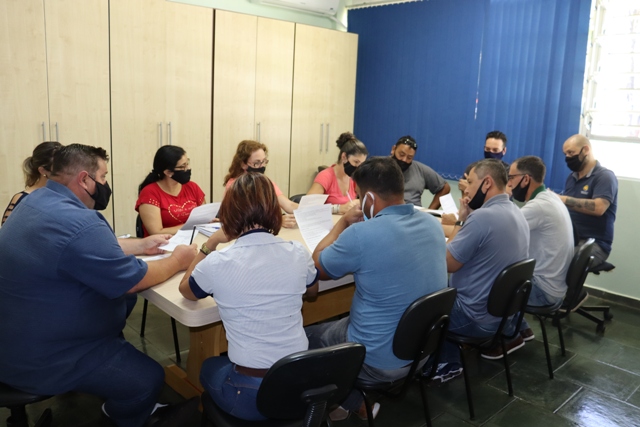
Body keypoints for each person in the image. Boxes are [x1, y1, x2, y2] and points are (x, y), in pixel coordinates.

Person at [0, 144, 199, 427]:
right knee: (148, 378)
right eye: (103, 177)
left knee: (123, 302)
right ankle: (117, 415)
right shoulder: (81, 222)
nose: (105, 184)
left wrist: (140, 245)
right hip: (42, 357)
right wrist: (178, 260)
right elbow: (135, 280)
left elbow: (76, 246)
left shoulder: (34, 201)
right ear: (84, 179)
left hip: (14, 333)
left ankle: (110, 366)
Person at [305, 157, 447, 419]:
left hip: (378, 361)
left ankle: (339, 401)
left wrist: (342, 223)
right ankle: (353, 401)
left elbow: (316, 266)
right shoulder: (432, 225)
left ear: (368, 198)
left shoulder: (361, 235)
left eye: (360, 197)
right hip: (421, 351)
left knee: (305, 337)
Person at [179, 173, 319, 421]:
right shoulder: (297, 252)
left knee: (209, 366)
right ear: (274, 211)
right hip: (299, 387)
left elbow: (186, 290)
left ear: (229, 214)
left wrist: (211, 242)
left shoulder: (218, 262)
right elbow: (313, 292)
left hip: (251, 396)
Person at [434, 159, 529, 380]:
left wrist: (461, 221)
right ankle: (447, 357)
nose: (466, 189)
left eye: (470, 182)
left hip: (475, 319)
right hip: (503, 317)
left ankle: (445, 363)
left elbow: (447, 262)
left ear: (487, 183)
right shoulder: (517, 212)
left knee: (423, 297)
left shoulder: (482, 217)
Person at [508, 156, 574, 341]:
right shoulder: (551, 197)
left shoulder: (538, 207)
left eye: (511, 178)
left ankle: (507, 338)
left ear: (525, 179)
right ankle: (521, 328)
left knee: (489, 279)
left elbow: (499, 231)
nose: (509, 183)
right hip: (556, 287)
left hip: (544, 292)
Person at [559, 134, 618, 268]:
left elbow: (599, 208)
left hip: (594, 243)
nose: (567, 157)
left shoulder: (604, 176)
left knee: (557, 264)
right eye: (565, 154)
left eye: (571, 152)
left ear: (585, 150)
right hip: (571, 239)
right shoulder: (572, 178)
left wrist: (562, 199)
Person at [224, 140, 298, 228]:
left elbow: (289, 205)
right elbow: (245, 218)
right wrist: (278, 221)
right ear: (243, 164)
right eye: (257, 163)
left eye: (264, 161)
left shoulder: (265, 182)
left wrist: (310, 211)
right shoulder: (235, 185)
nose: (262, 166)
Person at [136, 145, 206, 236]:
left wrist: (209, 222)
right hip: (164, 243)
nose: (188, 168)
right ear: (168, 172)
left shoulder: (192, 187)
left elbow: (204, 217)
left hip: (193, 239)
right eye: (183, 166)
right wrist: (191, 226)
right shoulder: (149, 193)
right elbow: (156, 232)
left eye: (187, 163)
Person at [2, 141, 62, 225]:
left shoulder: (66, 196)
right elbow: (7, 230)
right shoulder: (22, 198)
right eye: (59, 167)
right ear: (42, 171)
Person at [306, 131, 367, 214]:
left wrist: (358, 202)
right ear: (344, 157)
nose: (358, 167)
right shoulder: (325, 176)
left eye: (361, 164)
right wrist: (338, 208)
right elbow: (307, 207)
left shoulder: (353, 178)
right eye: (356, 162)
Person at [390, 135, 450, 208]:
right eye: (401, 154)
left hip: (413, 212)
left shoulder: (420, 169)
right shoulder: (380, 167)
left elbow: (445, 188)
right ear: (393, 149)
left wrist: (429, 211)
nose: (404, 160)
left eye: (409, 157)